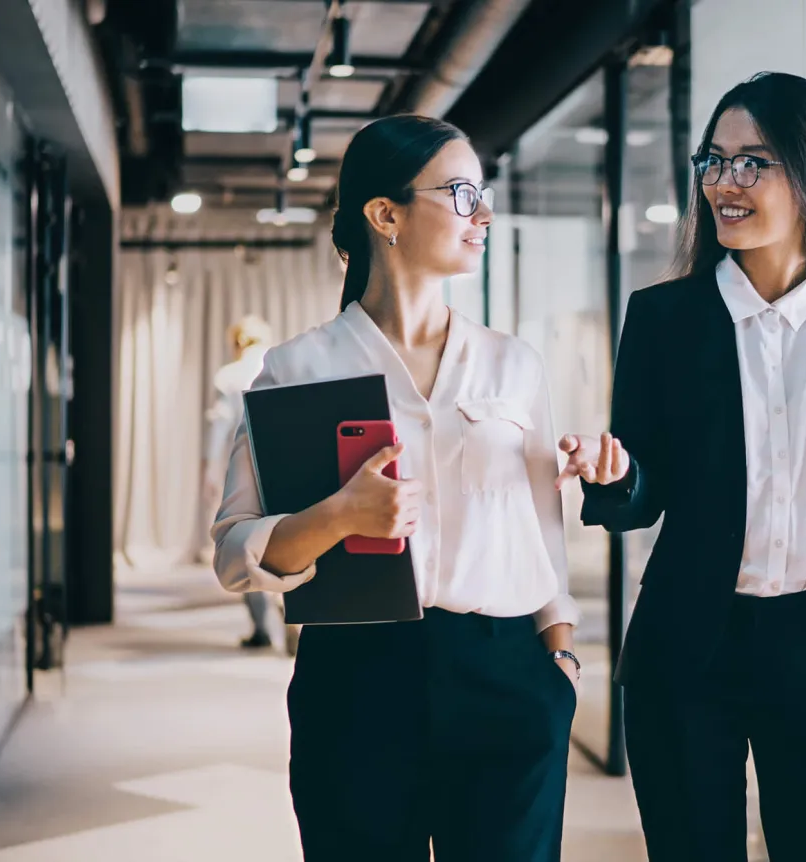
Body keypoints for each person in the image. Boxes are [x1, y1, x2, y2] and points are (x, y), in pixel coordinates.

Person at [558, 72, 806, 862]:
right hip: (689, 647)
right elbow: (645, 493)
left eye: (753, 162)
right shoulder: (665, 319)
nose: (724, 183)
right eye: (713, 161)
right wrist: (613, 476)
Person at [211, 114, 579, 862]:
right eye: (462, 191)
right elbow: (234, 551)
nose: (483, 213)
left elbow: (544, 531)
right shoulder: (299, 367)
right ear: (386, 215)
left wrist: (559, 661)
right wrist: (339, 515)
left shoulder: (514, 365)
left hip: (507, 675)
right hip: (357, 678)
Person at [200, 315, 281, 649]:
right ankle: (288, 610)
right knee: (284, 540)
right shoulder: (283, 361)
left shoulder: (230, 376)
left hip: (246, 469)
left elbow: (220, 428)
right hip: (282, 466)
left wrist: (209, 470)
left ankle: (261, 627)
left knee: (245, 544)